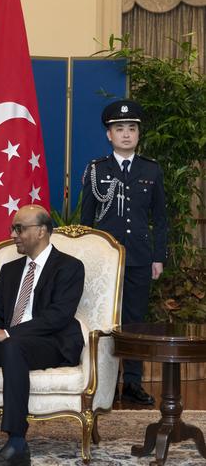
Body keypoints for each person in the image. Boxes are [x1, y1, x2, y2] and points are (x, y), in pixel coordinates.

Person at [0, 205, 85, 466]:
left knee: (12, 345)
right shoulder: (10, 270)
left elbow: (57, 317)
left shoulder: (69, 267)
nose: (13, 234)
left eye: (20, 228)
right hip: (10, 341)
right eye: (13, 228)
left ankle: (17, 444)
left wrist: (7, 333)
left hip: (50, 342)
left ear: (42, 231)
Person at [81, 99, 167, 406]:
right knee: (102, 320)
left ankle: (132, 383)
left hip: (139, 259)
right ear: (109, 135)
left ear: (139, 134)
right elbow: (85, 221)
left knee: (134, 322)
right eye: (120, 129)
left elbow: (161, 218)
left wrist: (158, 257)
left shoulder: (151, 170)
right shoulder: (96, 170)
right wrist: (85, 259)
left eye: (132, 129)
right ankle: (98, 380)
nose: (126, 134)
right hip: (104, 261)